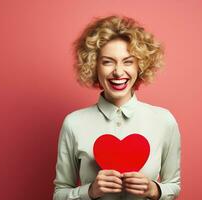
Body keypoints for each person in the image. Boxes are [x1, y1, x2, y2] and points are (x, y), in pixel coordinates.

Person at [53, 15, 181, 200]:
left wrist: (153, 190)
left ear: (140, 66)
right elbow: (59, 194)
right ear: (94, 66)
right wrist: (89, 191)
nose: (118, 72)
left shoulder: (164, 121)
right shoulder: (73, 123)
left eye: (128, 61)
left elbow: (174, 186)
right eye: (107, 62)